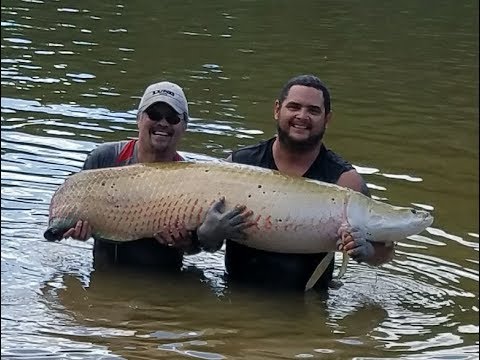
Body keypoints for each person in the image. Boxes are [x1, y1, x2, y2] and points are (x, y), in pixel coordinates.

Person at [220, 74, 395, 291]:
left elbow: (385, 251)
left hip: (306, 303)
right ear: (277, 110)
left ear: (327, 119)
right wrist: (208, 235)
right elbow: (196, 236)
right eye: (294, 107)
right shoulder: (238, 165)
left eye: (313, 110)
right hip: (234, 295)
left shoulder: (345, 181)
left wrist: (366, 251)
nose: (302, 116)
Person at [61, 81, 253, 271]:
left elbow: (202, 245)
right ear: (139, 119)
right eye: (154, 115)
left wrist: (185, 243)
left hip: (164, 284)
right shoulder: (102, 159)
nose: (163, 123)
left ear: (184, 126)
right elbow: (70, 215)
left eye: (172, 118)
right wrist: (76, 230)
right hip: (105, 278)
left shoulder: (195, 179)